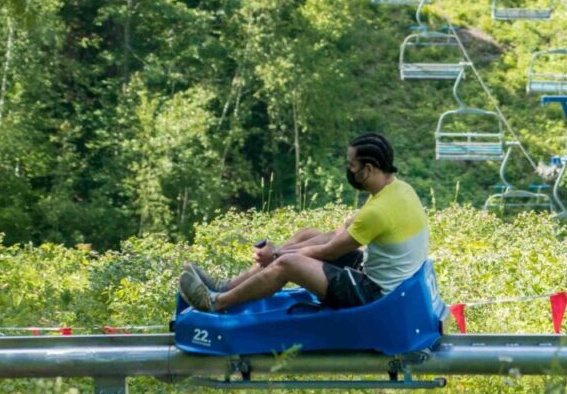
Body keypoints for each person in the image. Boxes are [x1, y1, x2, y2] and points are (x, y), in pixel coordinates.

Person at [179, 133, 427, 313]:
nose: (348, 170)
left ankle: (216, 303)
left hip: (374, 294)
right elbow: (336, 236)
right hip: (380, 275)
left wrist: (277, 255)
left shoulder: (377, 211)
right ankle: (227, 286)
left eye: (352, 165)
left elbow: (329, 250)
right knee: (305, 235)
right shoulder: (399, 190)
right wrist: (281, 250)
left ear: (369, 168)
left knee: (288, 264)